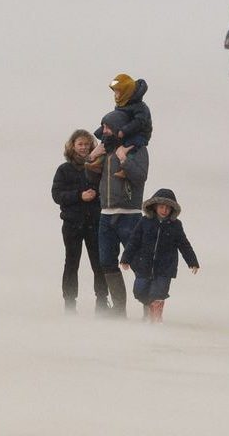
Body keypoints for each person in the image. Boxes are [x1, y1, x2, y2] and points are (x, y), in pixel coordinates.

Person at [88, 109, 149, 318]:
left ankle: (148, 307)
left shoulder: (136, 149)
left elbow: (140, 177)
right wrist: (91, 158)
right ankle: (119, 309)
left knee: (137, 262)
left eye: (107, 127)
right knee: (106, 262)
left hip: (129, 214)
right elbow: (92, 178)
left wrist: (124, 159)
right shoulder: (106, 149)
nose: (103, 131)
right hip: (105, 214)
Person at [119, 188, 199, 324]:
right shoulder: (145, 221)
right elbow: (133, 241)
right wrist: (125, 259)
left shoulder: (176, 225)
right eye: (161, 207)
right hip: (144, 265)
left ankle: (156, 317)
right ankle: (148, 307)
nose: (164, 210)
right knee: (139, 291)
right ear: (154, 206)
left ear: (172, 210)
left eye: (168, 208)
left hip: (165, 267)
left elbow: (184, 244)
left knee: (158, 292)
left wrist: (192, 261)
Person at [51, 129, 106, 314]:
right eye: (80, 144)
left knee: (98, 262)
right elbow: (57, 195)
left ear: (92, 146)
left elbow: (106, 191)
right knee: (72, 262)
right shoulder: (64, 169)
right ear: (72, 146)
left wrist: (95, 196)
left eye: (87, 144)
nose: (83, 147)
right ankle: (69, 304)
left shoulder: (99, 166)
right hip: (72, 224)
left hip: (95, 223)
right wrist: (79, 195)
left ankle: (102, 302)